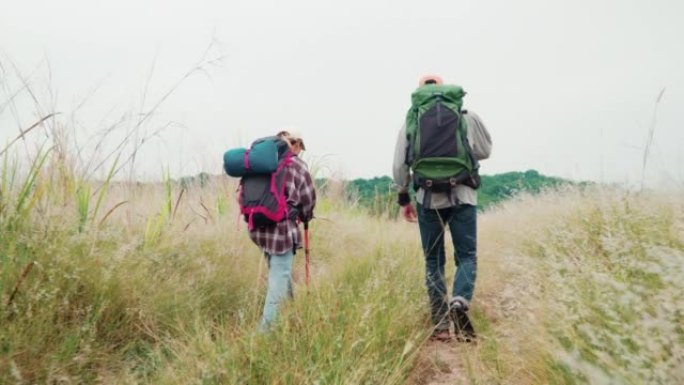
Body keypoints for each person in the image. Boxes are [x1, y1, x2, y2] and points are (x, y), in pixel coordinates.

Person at [393, 75, 492, 341]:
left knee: (433, 260)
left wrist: (404, 196)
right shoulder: (466, 116)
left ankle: (440, 325)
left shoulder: (411, 121)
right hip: (463, 194)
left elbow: (399, 165)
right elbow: (485, 150)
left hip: (428, 198)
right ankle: (459, 300)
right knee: (467, 256)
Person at [248, 130, 316, 332]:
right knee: (278, 278)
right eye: (299, 147)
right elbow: (308, 199)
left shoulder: (262, 162)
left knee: (279, 272)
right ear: (295, 145)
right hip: (281, 231)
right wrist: (306, 216)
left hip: (257, 228)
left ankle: (292, 313)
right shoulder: (296, 165)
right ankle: (264, 335)